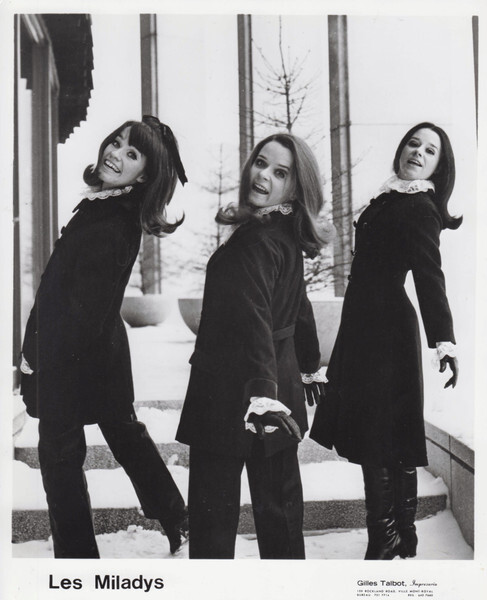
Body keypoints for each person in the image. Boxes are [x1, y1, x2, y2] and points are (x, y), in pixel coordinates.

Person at [20, 115, 189, 558]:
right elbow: (62, 287)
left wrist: (41, 354)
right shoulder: (105, 206)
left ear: (145, 175)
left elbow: (83, 307)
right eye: (116, 142)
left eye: (132, 154)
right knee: (121, 436)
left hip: (74, 353)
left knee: (60, 455)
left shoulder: (115, 219)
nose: (115, 154)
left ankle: (79, 559)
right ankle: (175, 515)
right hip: (92, 350)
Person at [310, 122, 461, 560]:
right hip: (365, 327)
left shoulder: (420, 207)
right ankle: (402, 534)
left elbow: (430, 276)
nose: (418, 152)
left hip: (386, 333)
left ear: (438, 167)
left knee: (377, 435)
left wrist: (444, 341)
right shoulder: (391, 196)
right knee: (385, 433)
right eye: (414, 143)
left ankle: (386, 536)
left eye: (429, 151)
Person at [176, 133, 330, 559]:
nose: (263, 175)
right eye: (261, 163)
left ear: (296, 188)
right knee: (280, 514)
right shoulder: (279, 233)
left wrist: (262, 392)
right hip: (274, 390)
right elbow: (299, 306)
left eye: (280, 172)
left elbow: (255, 318)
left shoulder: (257, 240)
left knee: (212, 519)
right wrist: (307, 365)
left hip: (233, 392)